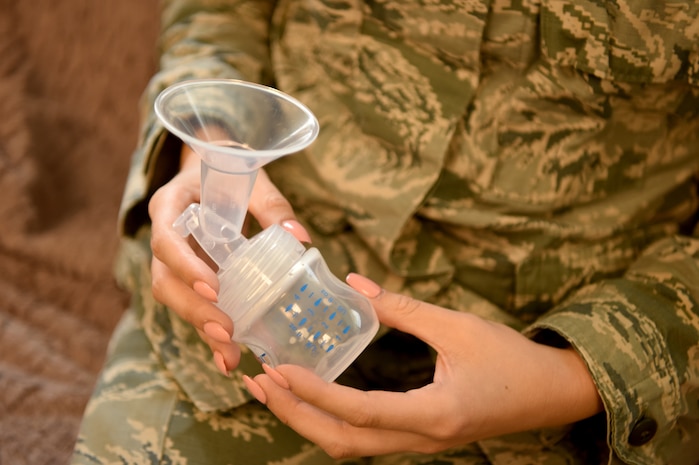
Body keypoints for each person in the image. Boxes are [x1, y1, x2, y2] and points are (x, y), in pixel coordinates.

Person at [72, 0, 699, 464]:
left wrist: (580, 375)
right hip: (244, 341)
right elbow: (219, 14)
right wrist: (211, 147)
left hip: (559, 369)